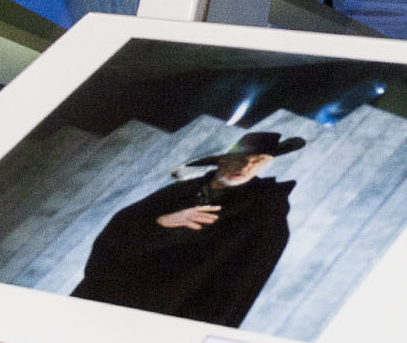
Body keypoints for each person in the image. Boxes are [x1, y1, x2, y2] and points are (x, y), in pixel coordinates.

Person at [71, 129, 306, 328]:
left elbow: (240, 283)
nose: (246, 166)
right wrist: (161, 222)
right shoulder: (177, 192)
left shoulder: (264, 211)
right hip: (107, 300)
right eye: (241, 158)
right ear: (222, 160)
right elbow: (117, 233)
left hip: (166, 315)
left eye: (258, 161)